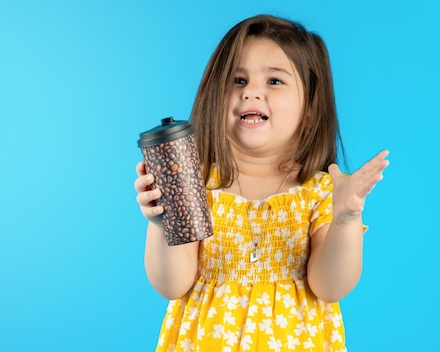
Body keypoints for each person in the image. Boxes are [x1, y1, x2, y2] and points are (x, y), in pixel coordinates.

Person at [134, 14, 389, 351]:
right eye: (238, 80)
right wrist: (162, 222)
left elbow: (330, 287)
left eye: (274, 81)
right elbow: (171, 284)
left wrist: (345, 221)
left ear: (310, 107)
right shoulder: (195, 187)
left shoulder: (321, 192)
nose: (251, 92)